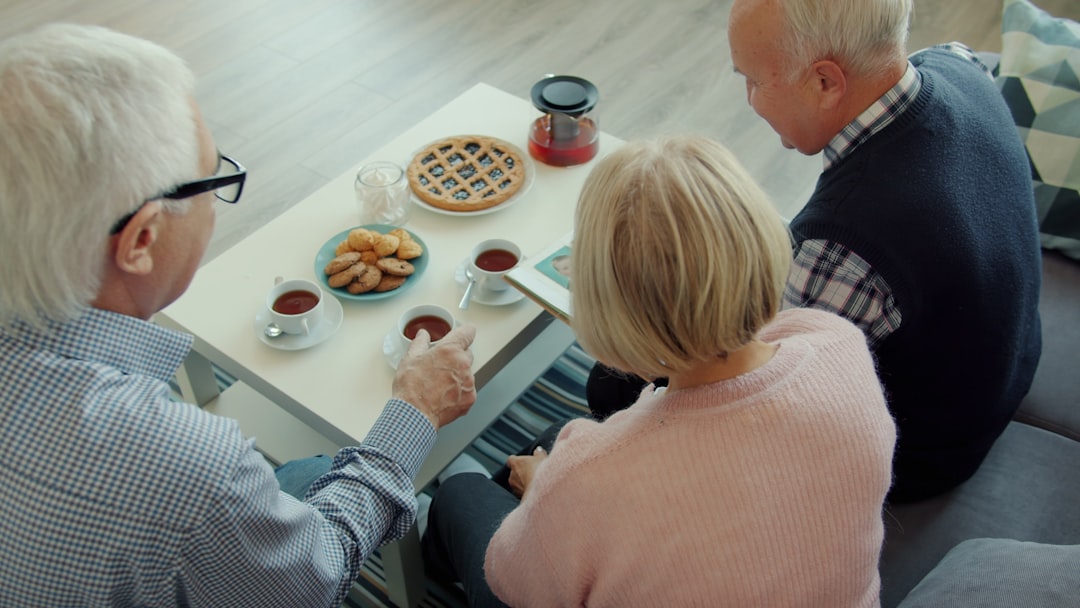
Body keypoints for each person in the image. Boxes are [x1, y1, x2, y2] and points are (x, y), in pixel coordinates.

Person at [0, 24, 477, 607]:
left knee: (308, 471)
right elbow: (313, 578)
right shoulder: (192, 467)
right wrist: (415, 411)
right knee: (315, 479)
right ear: (141, 239)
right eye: (213, 177)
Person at [589, 0, 1043, 503]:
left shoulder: (846, 248)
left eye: (755, 81)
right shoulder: (958, 65)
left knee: (611, 386)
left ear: (826, 82)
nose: (750, 100)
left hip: (926, 450)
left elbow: (746, 394)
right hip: (1006, 362)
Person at [422, 135, 897, 606]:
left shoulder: (586, 478)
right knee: (557, 434)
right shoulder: (839, 344)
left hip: (558, 526)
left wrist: (545, 494)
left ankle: (437, 541)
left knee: (459, 495)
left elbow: (518, 585)